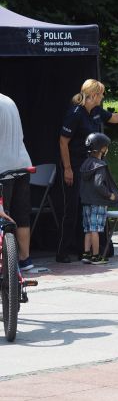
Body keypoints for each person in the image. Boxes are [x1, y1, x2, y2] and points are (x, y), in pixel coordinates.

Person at [58, 79, 118, 263]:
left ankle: (93, 250)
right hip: (75, 166)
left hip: (93, 166)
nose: (103, 96)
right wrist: (67, 168)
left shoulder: (97, 111)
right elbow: (63, 141)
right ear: (92, 95)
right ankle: (64, 250)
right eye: (101, 93)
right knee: (72, 208)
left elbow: (114, 118)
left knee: (92, 203)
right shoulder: (75, 113)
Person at [0, 93, 34, 271]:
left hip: (2, 166)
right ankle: (25, 259)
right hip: (22, 164)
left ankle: (5, 262)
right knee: (21, 215)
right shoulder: (9, 100)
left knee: (2, 215)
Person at [79, 133, 118, 265]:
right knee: (95, 229)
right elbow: (98, 184)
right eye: (106, 147)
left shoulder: (85, 164)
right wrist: (109, 195)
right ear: (102, 149)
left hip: (86, 202)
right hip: (97, 202)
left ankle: (86, 254)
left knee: (88, 229)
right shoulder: (100, 165)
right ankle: (96, 256)